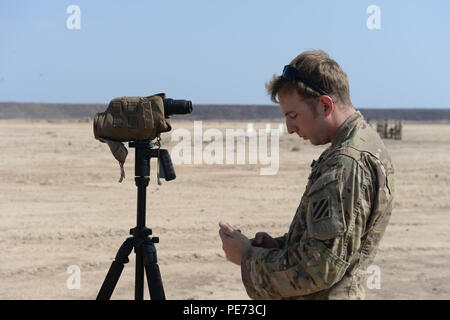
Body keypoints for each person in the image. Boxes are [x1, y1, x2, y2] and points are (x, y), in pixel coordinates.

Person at [218, 50, 395, 300]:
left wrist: (247, 257)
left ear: (325, 105)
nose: (289, 129)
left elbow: (320, 268)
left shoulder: (345, 164)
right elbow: (336, 245)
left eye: (293, 116)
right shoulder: (363, 144)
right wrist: (279, 247)